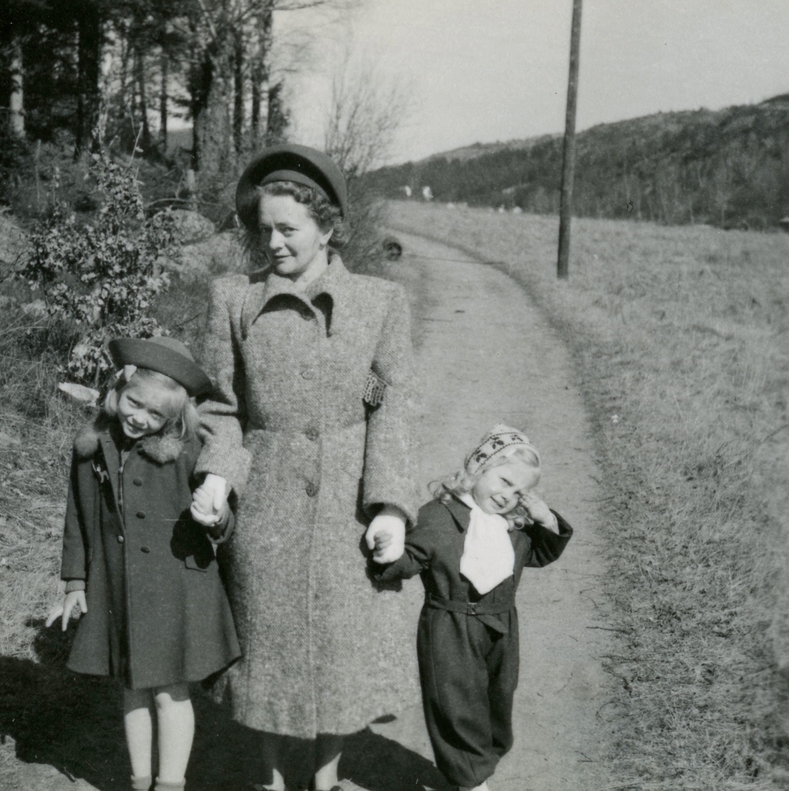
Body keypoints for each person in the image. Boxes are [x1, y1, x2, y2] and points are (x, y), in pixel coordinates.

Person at [189, 143, 419, 791]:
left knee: (338, 655)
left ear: (328, 226)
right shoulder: (232, 300)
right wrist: (216, 473)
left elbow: (396, 408)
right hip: (267, 504)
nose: (275, 243)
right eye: (265, 229)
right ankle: (269, 778)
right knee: (266, 654)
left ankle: (326, 777)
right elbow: (221, 406)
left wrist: (391, 506)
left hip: (345, 506)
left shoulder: (379, 303)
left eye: (289, 228)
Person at [47, 336, 241, 791]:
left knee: (171, 693)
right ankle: (139, 779)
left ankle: (170, 784)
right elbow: (77, 516)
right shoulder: (94, 444)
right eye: (136, 405)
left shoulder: (190, 449)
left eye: (156, 416)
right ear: (119, 388)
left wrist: (218, 515)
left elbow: (224, 513)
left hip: (176, 587)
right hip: (116, 584)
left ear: (173, 419)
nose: (141, 419)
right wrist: (76, 581)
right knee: (131, 687)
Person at [373, 425, 573, 791]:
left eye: (519, 492)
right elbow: (409, 559)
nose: (507, 495)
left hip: (500, 625)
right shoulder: (438, 516)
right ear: (479, 468)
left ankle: (478, 764)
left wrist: (546, 520)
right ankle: (470, 780)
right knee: (456, 703)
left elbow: (541, 553)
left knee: (497, 699)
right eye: (504, 480)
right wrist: (388, 550)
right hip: (450, 623)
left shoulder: (513, 526)